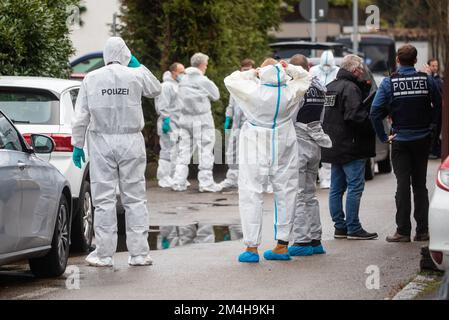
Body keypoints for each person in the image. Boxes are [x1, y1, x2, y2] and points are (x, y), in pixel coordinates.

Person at [71, 37, 161, 267]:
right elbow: (156, 89)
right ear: (126, 54)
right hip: (131, 140)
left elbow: (81, 115)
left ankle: (104, 254)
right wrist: (137, 64)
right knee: (135, 198)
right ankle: (139, 254)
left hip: (101, 141)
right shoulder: (136, 74)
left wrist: (77, 144)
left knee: (103, 199)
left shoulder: (91, 78)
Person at [224, 58, 311, 263]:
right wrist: (288, 68)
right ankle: (282, 245)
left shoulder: (252, 91)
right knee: (287, 191)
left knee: (250, 192)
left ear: (262, 72)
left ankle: (251, 247)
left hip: (255, 142)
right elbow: (306, 76)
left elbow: (230, 79)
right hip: (284, 142)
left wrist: (252, 73)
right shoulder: (291, 90)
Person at [370, 44, 441, 242]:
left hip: (400, 139)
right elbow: (439, 106)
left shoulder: (389, 83)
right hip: (422, 138)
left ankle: (402, 231)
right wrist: (432, 131)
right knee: (420, 186)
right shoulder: (426, 80)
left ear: (398, 61)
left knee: (402, 185)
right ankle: (423, 231)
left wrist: (384, 137)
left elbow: (375, 112)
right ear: (416, 60)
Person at [322, 54, 378, 241]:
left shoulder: (330, 87)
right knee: (355, 186)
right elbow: (355, 116)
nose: (362, 73)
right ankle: (354, 227)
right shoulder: (351, 88)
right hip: (351, 145)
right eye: (360, 70)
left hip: (333, 145)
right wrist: (371, 123)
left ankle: (340, 227)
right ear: (354, 70)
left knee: (336, 188)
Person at [288, 54, 332, 256]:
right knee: (310, 195)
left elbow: (288, 117)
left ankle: (301, 241)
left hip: (298, 143)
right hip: (316, 142)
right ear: (309, 66)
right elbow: (321, 117)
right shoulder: (320, 87)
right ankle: (316, 239)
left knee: (297, 194)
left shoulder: (297, 87)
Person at [171, 53, 222, 192]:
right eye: (206, 64)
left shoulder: (183, 80)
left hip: (185, 119)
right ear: (202, 65)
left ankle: (178, 181)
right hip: (202, 119)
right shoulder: (203, 80)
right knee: (205, 150)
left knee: (184, 151)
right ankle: (205, 183)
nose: (206, 66)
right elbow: (216, 95)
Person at [220, 58, 256, 189]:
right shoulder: (235, 85)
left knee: (248, 154)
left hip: (250, 126)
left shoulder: (256, 84)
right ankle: (232, 178)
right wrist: (228, 118)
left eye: (249, 69)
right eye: (244, 69)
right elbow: (231, 105)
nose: (246, 71)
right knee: (232, 153)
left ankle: (247, 180)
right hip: (236, 125)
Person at [310, 50, 340, 189]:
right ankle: (321, 178)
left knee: (329, 147)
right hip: (317, 113)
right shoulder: (313, 71)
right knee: (317, 149)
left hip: (331, 113)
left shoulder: (338, 72)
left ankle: (328, 179)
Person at [155, 62, 185, 188]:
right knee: (167, 150)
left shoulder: (178, 85)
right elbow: (162, 105)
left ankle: (174, 176)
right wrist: (166, 119)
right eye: (181, 72)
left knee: (176, 151)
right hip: (169, 122)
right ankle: (163, 177)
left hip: (178, 123)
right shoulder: (166, 86)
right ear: (173, 72)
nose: (183, 74)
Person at [426, 58, 443, 159]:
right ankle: (431, 149)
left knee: (436, 130)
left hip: (437, 111)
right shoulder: (428, 78)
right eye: (433, 66)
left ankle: (434, 149)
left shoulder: (438, 79)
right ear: (428, 66)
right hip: (430, 112)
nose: (435, 68)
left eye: (436, 66)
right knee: (432, 130)